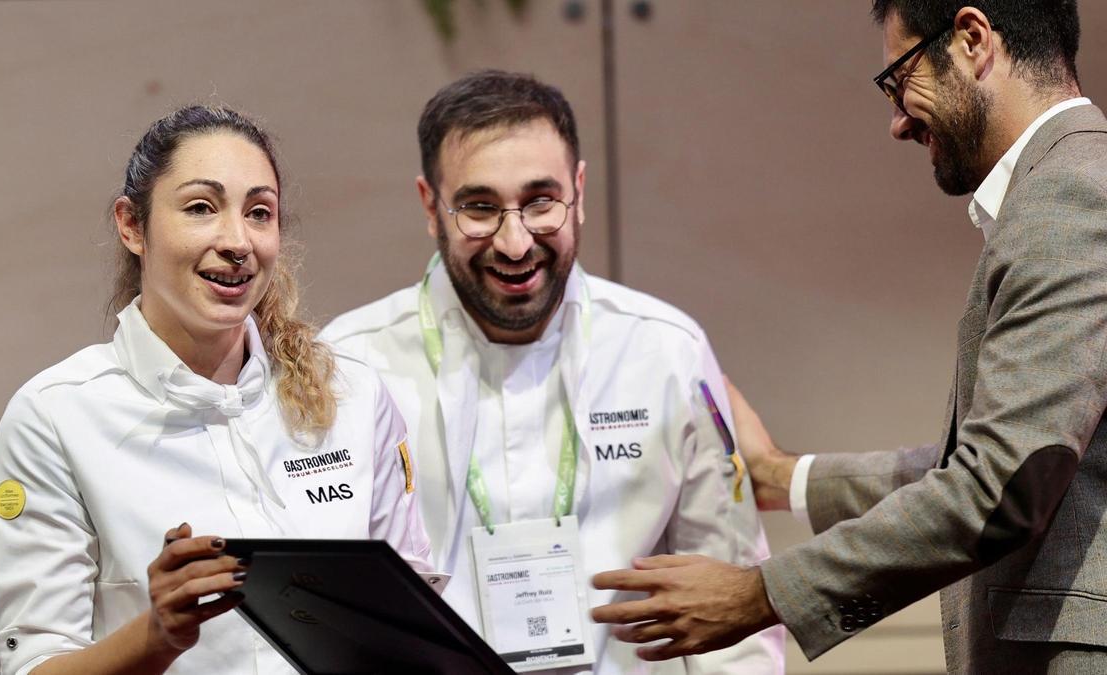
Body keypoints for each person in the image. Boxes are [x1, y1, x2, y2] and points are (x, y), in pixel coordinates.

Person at [591, 1, 1107, 672]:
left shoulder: (1069, 197)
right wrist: (783, 476)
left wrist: (759, 594)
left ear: (974, 39)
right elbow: (991, 463)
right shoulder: (1063, 189)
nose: (897, 122)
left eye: (900, 78)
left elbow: (997, 487)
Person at [320, 70, 784, 673]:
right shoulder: (354, 365)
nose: (515, 244)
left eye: (541, 202)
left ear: (580, 191)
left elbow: (733, 605)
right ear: (430, 206)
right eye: (480, 208)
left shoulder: (663, 350)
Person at [0, 105, 430, 675]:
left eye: (260, 213)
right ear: (131, 226)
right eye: (201, 207)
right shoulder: (56, 418)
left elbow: (414, 624)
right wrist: (158, 635)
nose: (238, 240)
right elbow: (30, 666)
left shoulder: (354, 398)